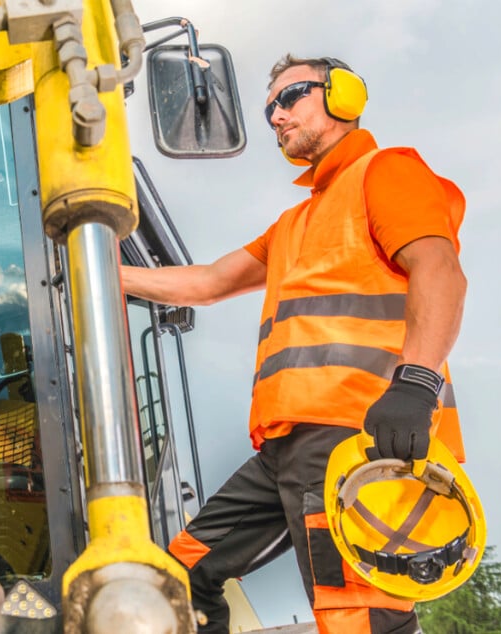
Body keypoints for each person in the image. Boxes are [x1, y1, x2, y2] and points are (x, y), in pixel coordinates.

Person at [121, 54, 467, 634]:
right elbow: (206, 284)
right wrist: (100, 271)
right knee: (178, 577)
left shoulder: (386, 172)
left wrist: (417, 383)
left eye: (291, 97)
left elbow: (440, 270)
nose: (276, 117)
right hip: (287, 448)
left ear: (344, 97)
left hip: (358, 438)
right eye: (269, 108)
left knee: (358, 617)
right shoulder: (295, 224)